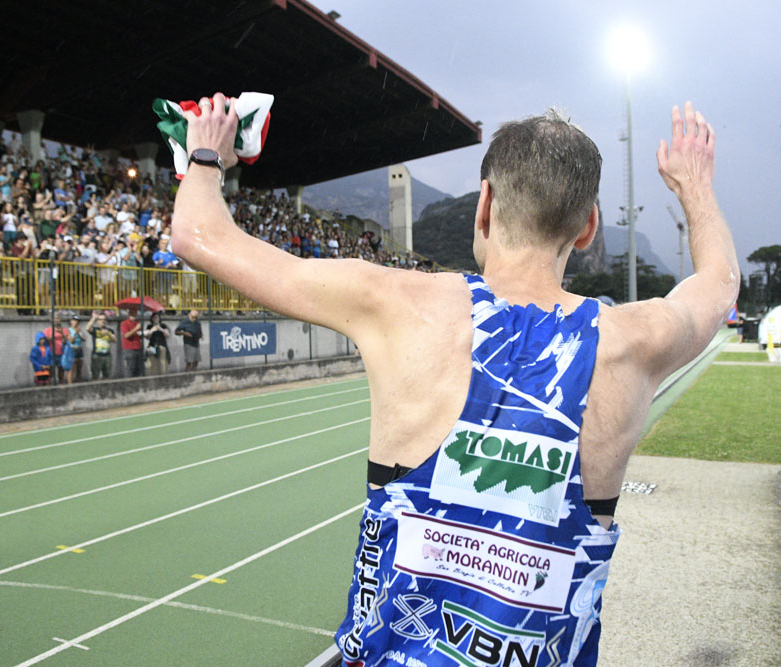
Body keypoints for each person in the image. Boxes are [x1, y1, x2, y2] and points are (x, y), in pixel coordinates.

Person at [172, 96, 739, 664]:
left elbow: (200, 237)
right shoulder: (634, 343)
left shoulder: (396, 304)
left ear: (484, 204)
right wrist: (694, 187)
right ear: (589, 226)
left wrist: (206, 154)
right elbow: (718, 283)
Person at [86, 311, 116, 380]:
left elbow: (114, 340)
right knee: (95, 376)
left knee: (107, 375)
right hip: (97, 355)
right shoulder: (95, 330)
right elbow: (87, 328)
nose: (103, 321)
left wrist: (108, 334)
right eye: (100, 319)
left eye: (104, 319)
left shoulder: (110, 330)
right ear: (97, 321)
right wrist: (93, 318)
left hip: (107, 355)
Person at [43, 312, 70, 384]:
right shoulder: (47, 330)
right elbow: (44, 342)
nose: (56, 320)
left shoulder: (64, 330)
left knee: (61, 373)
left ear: (60, 320)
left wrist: (61, 333)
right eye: (54, 318)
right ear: (51, 320)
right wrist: (50, 337)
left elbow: (66, 342)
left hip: (61, 353)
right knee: (50, 373)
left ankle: (61, 386)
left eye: (57, 318)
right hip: (51, 354)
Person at [143, 310, 171, 375]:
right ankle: (153, 375)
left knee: (162, 362)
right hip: (152, 346)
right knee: (151, 362)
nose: (155, 319)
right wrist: (152, 330)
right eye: (154, 317)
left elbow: (167, 334)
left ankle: (163, 375)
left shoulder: (163, 325)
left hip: (162, 345)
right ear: (152, 319)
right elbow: (147, 337)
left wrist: (160, 329)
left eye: (157, 317)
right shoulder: (149, 326)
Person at [120, 309, 143, 377]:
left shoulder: (137, 323)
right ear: (129, 314)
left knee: (138, 369)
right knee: (130, 369)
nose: (135, 315)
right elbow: (126, 335)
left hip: (138, 347)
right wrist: (136, 329)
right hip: (129, 348)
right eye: (133, 314)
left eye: (135, 313)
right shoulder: (124, 323)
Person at [66, 314, 87, 383]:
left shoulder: (79, 330)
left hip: (79, 349)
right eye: (74, 321)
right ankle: (70, 384)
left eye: (77, 321)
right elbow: (71, 340)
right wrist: (75, 333)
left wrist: (80, 334)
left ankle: (79, 382)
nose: (76, 322)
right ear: (71, 321)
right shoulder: (68, 330)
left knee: (79, 368)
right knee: (71, 369)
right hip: (72, 349)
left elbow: (84, 339)